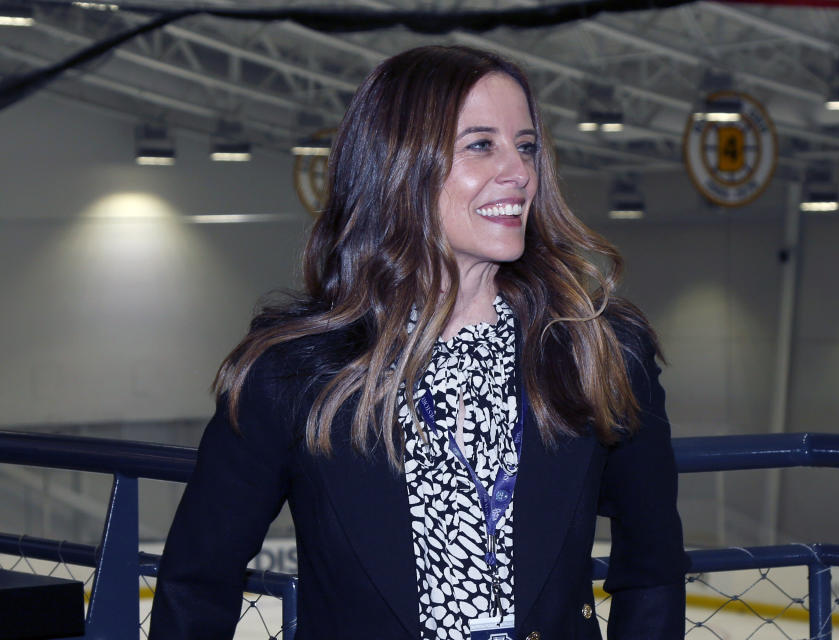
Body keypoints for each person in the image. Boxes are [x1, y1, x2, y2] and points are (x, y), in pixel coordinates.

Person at [149, 45, 689, 640]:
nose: (520, 171)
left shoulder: (601, 348)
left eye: (527, 146)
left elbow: (652, 570)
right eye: (481, 144)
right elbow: (199, 581)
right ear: (399, 165)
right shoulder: (292, 370)